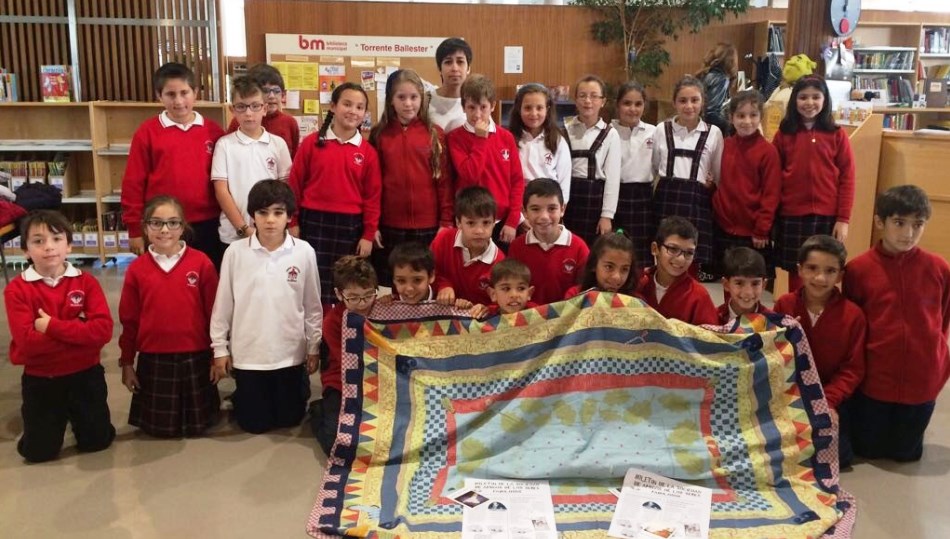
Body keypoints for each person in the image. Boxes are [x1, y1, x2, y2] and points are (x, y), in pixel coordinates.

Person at [843, 185, 950, 462]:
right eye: (899, 223)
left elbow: (943, 319)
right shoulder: (858, 269)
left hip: (921, 383)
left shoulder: (939, 268)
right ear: (880, 222)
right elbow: (854, 324)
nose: (908, 233)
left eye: (918, 224)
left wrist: (935, 360)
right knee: (868, 452)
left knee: (906, 454)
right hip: (875, 383)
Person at [210, 180, 322, 434]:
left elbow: (312, 305)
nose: (270, 220)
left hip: (290, 353)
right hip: (250, 355)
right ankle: (243, 395)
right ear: (252, 216)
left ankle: (296, 389)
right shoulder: (235, 253)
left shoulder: (304, 252)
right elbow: (223, 305)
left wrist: (313, 347)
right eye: (262, 212)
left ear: (289, 217)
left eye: (278, 213)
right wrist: (220, 349)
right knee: (254, 425)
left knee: (289, 420)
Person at [4, 210, 115, 462]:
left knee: (97, 442)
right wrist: (80, 331)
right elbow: (28, 344)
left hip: (86, 374)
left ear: (69, 245)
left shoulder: (86, 283)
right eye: (38, 241)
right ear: (25, 250)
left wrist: (51, 326)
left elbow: (103, 331)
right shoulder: (17, 290)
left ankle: (80, 421)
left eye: (56, 238)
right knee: (38, 452)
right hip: (43, 379)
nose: (49, 247)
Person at [118, 195, 220, 437]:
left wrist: (217, 355)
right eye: (156, 223)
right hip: (154, 360)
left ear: (183, 227)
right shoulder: (136, 270)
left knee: (198, 428)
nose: (165, 230)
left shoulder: (201, 263)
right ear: (145, 227)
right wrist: (127, 362)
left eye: (173, 223)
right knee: (160, 431)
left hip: (195, 356)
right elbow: (129, 320)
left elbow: (215, 314)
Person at [121, 62, 226, 267]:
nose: (179, 101)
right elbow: (133, 183)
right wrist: (134, 229)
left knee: (206, 279)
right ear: (159, 96)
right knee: (166, 282)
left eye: (184, 92)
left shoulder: (213, 131)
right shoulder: (147, 133)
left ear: (195, 92)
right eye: (170, 94)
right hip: (163, 225)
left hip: (208, 223)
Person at [774, 235, 865, 467]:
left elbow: (852, 369)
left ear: (840, 276)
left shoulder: (853, 315)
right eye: (812, 268)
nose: (820, 278)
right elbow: (775, 355)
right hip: (791, 394)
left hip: (831, 397)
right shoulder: (784, 305)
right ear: (800, 270)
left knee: (837, 456)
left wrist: (827, 402)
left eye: (830, 271)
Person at [289, 82, 382, 309]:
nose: (353, 111)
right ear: (333, 106)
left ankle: (337, 333)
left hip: (350, 227)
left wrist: (368, 234)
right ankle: (314, 337)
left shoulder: (368, 152)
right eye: (347, 104)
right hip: (313, 222)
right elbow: (294, 185)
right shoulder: (311, 143)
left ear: (364, 114)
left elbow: (372, 197)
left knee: (345, 284)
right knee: (312, 284)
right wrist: (292, 221)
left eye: (359, 107)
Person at [369, 69, 452, 287]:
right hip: (390, 226)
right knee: (394, 285)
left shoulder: (435, 133)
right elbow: (373, 186)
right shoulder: (379, 135)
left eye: (414, 97)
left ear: (422, 99)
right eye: (401, 97)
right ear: (391, 101)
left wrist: (445, 222)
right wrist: (373, 224)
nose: (408, 104)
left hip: (428, 226)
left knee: (424, 282)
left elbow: (443, 182)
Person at [772, 76, 855, 293]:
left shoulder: (837, 134)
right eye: (803, 97)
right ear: (794, 100)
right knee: (797, 270)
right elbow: (773, 177)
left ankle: (821, 317)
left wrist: (843, 219)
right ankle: (797, 315)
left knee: (826, 267)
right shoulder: (784, 134)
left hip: (827, 216)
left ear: (825, 99)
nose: (809, 102)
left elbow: (848, 177)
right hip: (792, 214)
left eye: (816, 97)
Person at [651, 75, 723, 281]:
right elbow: (655, 166)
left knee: (689, 260)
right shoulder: (661, 130)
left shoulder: (713, 133)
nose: (689, 106)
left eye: (694, 100)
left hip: (696, 202)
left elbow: (717, 174)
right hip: (667, 199)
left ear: (703, 102)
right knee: (664, 257)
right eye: (683, 100)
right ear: (674, 102)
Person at [446, 74, 524, 248]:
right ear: (463, 107)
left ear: (493, 106)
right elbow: (469, 175)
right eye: (472, 107)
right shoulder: (455, 138)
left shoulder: (506, 138)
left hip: (501, 222)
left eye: (483, 107)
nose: (477, 114)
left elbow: (517, 181)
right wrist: (480, 140)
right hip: (471, 221)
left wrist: (512, 220)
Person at [213, 76, 292, 245]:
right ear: (232, 110)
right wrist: (243, 228)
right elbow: (221, 191)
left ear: (264, 108)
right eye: (241, 107)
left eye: (255, 106)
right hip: (233, 234)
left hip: (270, 233)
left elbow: (285, 191)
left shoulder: (278, 144)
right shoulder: (224, 145)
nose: (249, 113)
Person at [310, 256, 377, 455]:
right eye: (354, 297)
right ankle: (317, 411)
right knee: (337, 446)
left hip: (380, 380)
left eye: (368, 295)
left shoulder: (381, 310)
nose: (363, 303)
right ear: (339, 294)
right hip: (341, 382)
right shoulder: (332, 321)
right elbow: (348, 362)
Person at [711, 90, 780, 277]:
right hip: (723, 227)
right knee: (728, 279)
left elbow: (771, 195)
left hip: (753, 233)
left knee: (750, 281)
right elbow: (718, 179)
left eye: (753, 115)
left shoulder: (768, 152)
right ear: (731, 117)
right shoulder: (724, 145)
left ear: (760, 117)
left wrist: (761, 229)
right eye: (740, 115)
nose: (747, 121)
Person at [562, 75, 621, 248]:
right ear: (575, 99)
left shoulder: (610, 134)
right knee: (568, 248)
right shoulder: (564, 130)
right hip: (568, 199)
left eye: (594, 96)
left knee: (593, 253)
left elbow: (613, 179)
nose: (588, 101)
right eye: (582, 95)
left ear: (603, 101)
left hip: (595, 201)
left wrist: (607, 215)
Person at [508, 179, 588, 305]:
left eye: (551, 208)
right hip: (528, 318)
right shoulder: (517, 247)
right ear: (524, 212)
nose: (544, 216)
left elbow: (584, 293)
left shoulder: (579, 248)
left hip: (566, 319)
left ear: (562, 209)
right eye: (535, 209)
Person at [431, 186, 505, 306]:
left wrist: (485, 308)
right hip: (444, 314)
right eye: (471, 223)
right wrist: (443, 285)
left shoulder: (500, 262)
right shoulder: (443, 240)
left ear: (494, 223)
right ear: (458, 222)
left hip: (479, 321)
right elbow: (429, 272)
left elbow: (501, 301)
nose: (479, 231)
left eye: (486, 223)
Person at [637, 216, 718, 326]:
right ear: (655, 249)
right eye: (673, 249)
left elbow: (710, 340)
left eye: (689, 253)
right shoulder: (638, 284)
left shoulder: (699, 296)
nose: (681, 259)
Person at [612, 81, 657, 265]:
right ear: (617, 105)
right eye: (627, 103)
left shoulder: (654, 132)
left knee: (640, 254)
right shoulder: (609, 131)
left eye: (638, 104)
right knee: (614, 250)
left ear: (644, 106)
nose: (632, 109)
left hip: (643, 198)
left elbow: (661, 164)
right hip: (614, 196)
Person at [508, 83, 571, 204]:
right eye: (527, 108)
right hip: (517, 204)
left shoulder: (557, 141)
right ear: (518, 109)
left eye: (539, 108)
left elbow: (564, 182)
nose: (533, 113)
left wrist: (559, 209)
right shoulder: (509, 139)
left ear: (547, 109)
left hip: (548, 204)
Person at [227, 63, 300, 157]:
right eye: (265, 91)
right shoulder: (240, 121)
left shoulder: (290, 122)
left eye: (276, 91)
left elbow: (294, 159)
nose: (272, 96)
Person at [564, 231, 637, 299]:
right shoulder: (575, 296)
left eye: (624, 269)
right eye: (609, 267)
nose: (616, 277)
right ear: (594, 264)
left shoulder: (636, 302)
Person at [717, 247, 773, 325]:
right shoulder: (713, 318)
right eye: (739, 283)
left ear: (763, 285)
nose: (748, 292)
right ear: (726, 284)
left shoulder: (773, 321)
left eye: (755, 283)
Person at [428, 37, 472, 132]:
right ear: (440, 69)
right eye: (448, 62)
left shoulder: (477, 102)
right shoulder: (425, 101)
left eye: (460, 62)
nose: (455, 68)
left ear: (468, 68)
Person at [695, 42, 738, 135]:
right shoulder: (721, 79)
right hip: (712, 133)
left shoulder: (704, 75)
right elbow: (711, 113)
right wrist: (732, 125)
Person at [471, 259, 537, 318]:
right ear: (493, 294)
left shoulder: (539, 313)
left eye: (521, 288)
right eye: (506, 289)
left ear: (529, 293)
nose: (514, 295)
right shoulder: (488, 313)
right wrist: (477, 310)